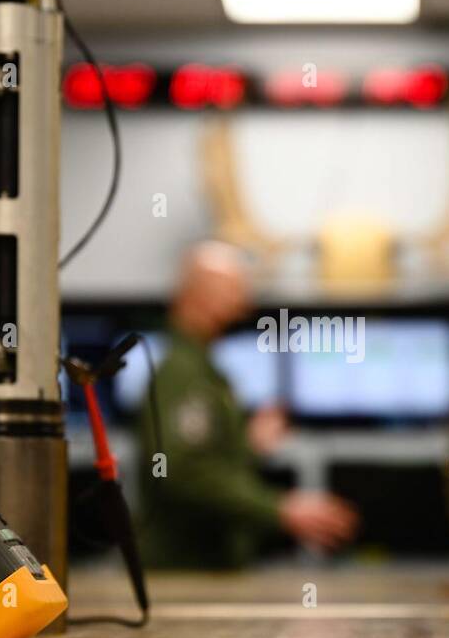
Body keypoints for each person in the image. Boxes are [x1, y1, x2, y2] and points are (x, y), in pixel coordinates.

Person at [138, 241, 357, 568]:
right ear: (202, 294)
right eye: (235, 290)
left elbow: (205, 458)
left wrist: (247, 446)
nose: (245, 303)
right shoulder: (182, 373)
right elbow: (183, 471)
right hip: (186, 568)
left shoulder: (202, 369)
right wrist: (279, 509)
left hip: (205, 565)